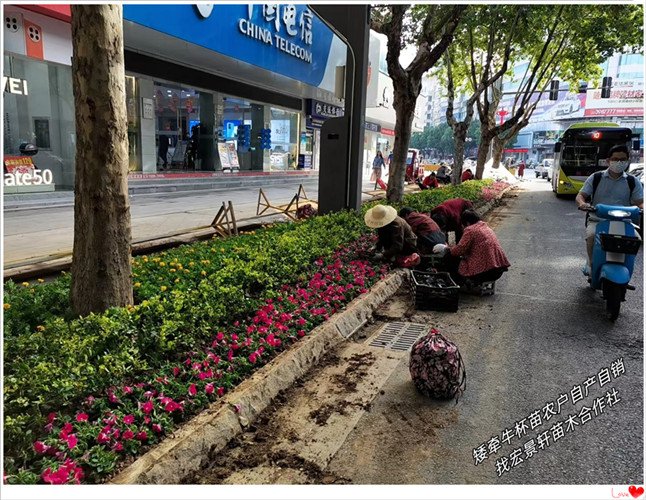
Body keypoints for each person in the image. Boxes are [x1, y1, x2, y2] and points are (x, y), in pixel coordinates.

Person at [575, 144, 643, 274]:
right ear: (608, 161)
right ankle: (591, 264)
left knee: (636, 240)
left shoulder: (632, 181)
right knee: (591, 236)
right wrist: (583, 204)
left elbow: (640, 202)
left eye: (622, 159)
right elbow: (581, 196)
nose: (619, 162)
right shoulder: (596, 177)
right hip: (597, 220)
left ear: (628, 160)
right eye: (615, 159)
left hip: (624, 222)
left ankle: (628, 268)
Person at [432, 209, 510, 285]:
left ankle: (456, 282)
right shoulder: (485, 227)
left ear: (467, 222)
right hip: (497, 270)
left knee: (450, 257)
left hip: (484, 273)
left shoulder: (470, 230)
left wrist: (445, 248)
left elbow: (458, 250)